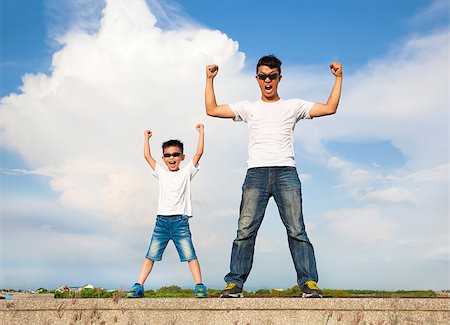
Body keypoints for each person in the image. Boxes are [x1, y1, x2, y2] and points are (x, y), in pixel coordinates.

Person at [205, 55, 342, 298]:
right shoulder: (249, 107)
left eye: (272, 76)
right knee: (245, 230)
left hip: (286, 173)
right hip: (255, 174)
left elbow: (330, 108)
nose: (267, 80)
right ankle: (234, 283)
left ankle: (309, 282)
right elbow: (212, 110)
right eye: (263, 76)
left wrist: (339, 78)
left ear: (280, 78)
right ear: (256, 78)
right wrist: (209, 79)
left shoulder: (293, 106)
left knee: (296, 229)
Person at [126, 124, 207, 298]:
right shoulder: (161, 173)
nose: (172, 158)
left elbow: (199, 153)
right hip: (161, 222)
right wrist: (146, 138)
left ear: (182, 157)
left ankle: (199, 285)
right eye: (168, 155)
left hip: (180, 222)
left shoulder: (186, 173)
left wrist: (201, 133)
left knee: (190, 255)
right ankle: (138, 286)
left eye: (176, 154)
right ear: (163, 158)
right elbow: (147, 156)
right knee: (150, 255)